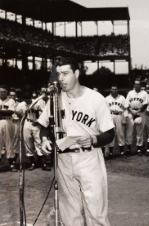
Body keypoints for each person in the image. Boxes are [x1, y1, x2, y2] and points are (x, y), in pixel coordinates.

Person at [37, 57, 115, 226]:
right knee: (69, 215)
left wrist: (94, 139)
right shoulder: (55, 99)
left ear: (77, 73)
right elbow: (43, 125)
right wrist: (44, 139)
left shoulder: (95, 98)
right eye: (58, 74)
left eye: (65, 73)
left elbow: (110, 133)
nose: (61, 78)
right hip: (63, 160)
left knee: (96, 213)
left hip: (89, 157)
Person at [125, 80, 148, 154]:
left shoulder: (144, 93)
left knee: (140, 132)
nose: (137, 86)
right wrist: (131, 111)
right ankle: (128, 148)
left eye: (138, 84)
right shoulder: (130, 93)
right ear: (134, 85)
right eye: (135, 84)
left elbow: (145, 104)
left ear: (140, 85)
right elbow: (127, 103)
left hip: (140, 113)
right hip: (131, 113)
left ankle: (139, 148)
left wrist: (138, 111)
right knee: (129, 131)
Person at [105, 85, 128, 157]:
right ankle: (111, 152)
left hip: (119, 115)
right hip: (110, 116)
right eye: (113, 89)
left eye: (115, 89)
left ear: (117, 90)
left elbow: (125, 109)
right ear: (110, 90)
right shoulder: (107, 98)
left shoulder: (122, 98)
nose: (114, 90)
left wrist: (125, 118)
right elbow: (104, 110)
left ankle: (121, 151)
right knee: (111, 133)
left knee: (120, 133)